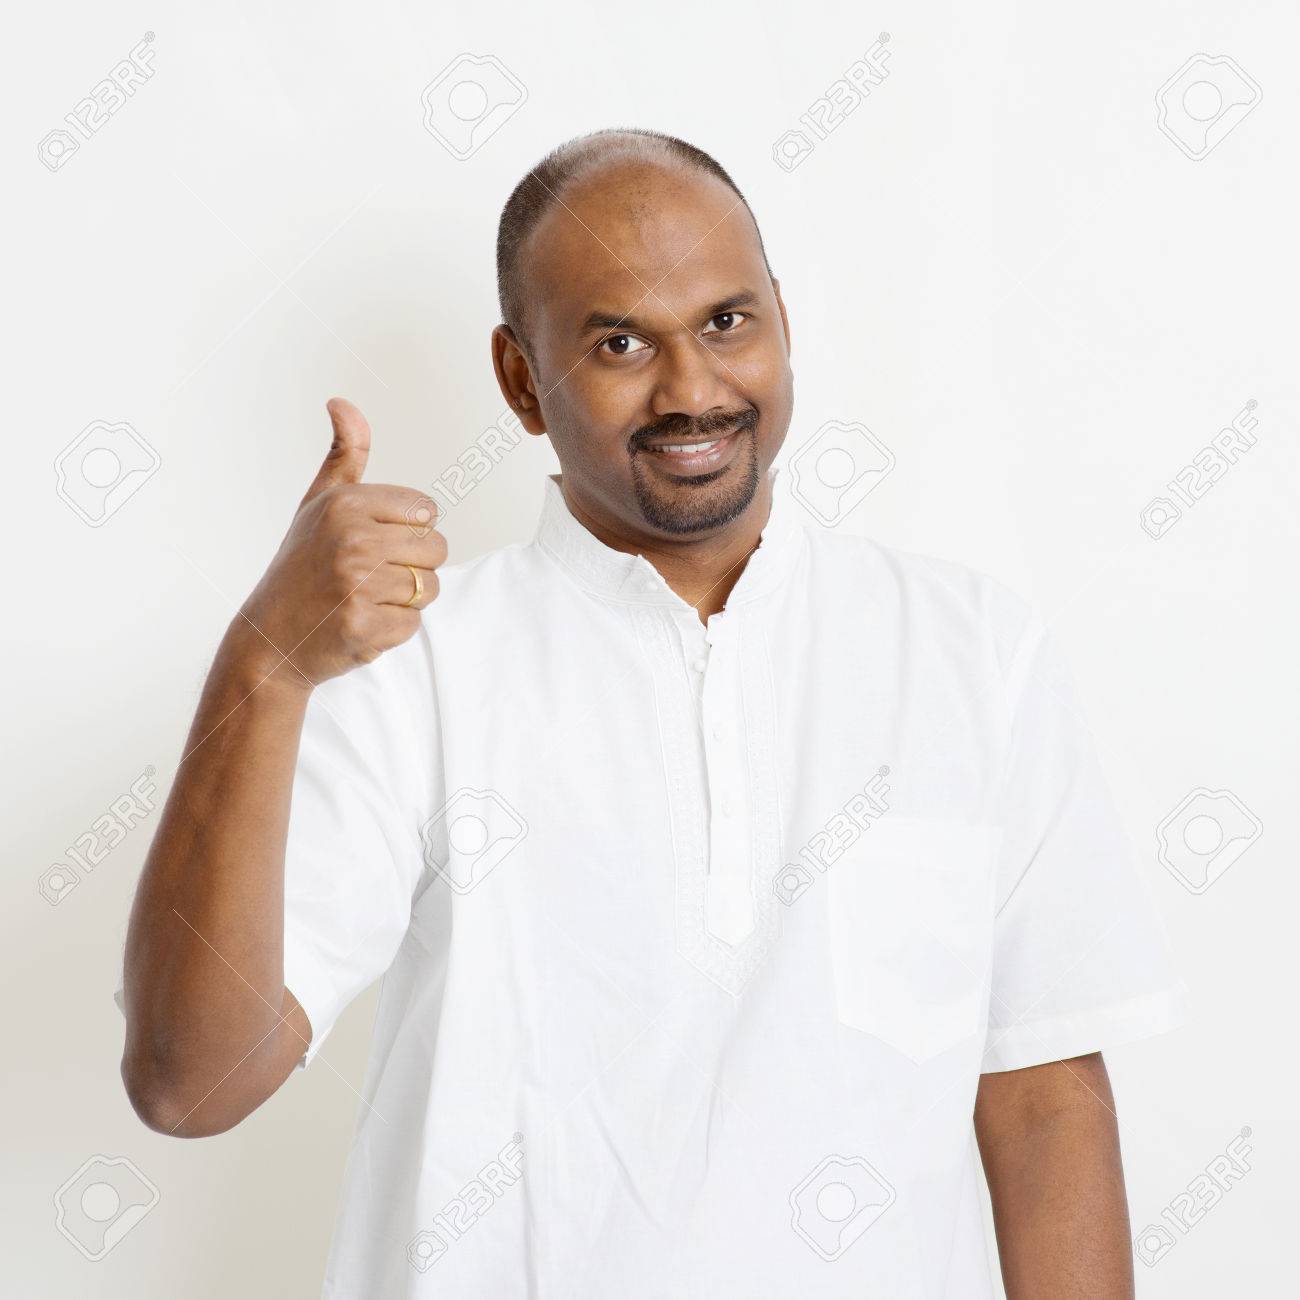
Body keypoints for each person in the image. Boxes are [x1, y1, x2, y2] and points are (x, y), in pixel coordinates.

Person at [118, 127, 1188, 1298]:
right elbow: (190, 1083)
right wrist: (264, 666)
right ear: (521, 380)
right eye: (619, 342)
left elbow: (1041, 1101)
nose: (692, 390)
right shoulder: (411, 668)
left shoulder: (971, 653)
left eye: (725, 321)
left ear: (782, 322)